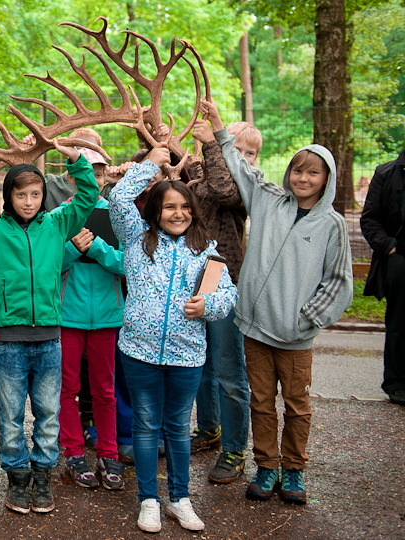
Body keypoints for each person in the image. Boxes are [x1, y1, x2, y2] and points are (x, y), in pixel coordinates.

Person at [0, 140, 98, 515]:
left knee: (48, 413)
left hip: (49, 340)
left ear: (43, 195)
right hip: (9, 342)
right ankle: (17, 479)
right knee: (10, 415)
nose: (28, 201)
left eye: (35, 194)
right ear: (8, 196)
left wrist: (76, 161)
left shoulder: (58, 224)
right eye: (20, 194)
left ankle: (43, 477)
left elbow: (87, 196)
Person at [214, 110, 353, 506]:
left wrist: (307, 319)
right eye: (297, 171)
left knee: (297, 405)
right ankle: (267, 466)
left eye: (313, 174)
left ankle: (293, 470)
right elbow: (241, 168)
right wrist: (222, 131)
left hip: (294, 337)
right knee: (260, 401)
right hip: (255, 328)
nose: (303, 179)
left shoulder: (332, 225)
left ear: (326, 179)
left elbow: (339, 281)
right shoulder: (269, 201)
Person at [108, 145, 237, 534]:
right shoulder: (135, 238)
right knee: (147, 425)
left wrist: (207, 306)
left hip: (186, 355)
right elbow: (117, 196)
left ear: (192, 211)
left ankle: (180, 499)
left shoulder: (205, 250)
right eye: (168, 207)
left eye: (184, 207)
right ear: (154, 212)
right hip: (139, 353)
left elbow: (226, 296)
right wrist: (149, 165)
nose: (177, 213)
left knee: (178, 427)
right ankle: (149, 499)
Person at [185, 101, 253, 485]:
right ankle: (209, 429)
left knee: (229, 370)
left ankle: (234, 447)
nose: (243, 159)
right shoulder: (203, 180)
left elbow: (226, 190)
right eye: (236, 150)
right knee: (203, 366)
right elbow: (196, 180)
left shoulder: (245, 187)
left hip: (226, 283)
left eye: (248, 153)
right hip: (197, 282)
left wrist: (213, 143)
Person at [57, 147, 125, 491]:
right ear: (72, 177)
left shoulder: (118, 214)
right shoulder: (59, 215)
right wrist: (72, 248)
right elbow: (48, 266)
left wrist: (96, 248)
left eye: (100, 173)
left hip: (108, 318)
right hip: (68, 317)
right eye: (89, 173)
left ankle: (108, 452)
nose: (96, 180)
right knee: (67, 388)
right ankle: (72, 452)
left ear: (108, 175)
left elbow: (130, 265)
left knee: (104, 390)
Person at [360, 148, 405, 405]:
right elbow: (369, 219)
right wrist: (390, 247)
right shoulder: (386, 173)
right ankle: (397, 384)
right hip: (399, 261)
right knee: (399, 325)